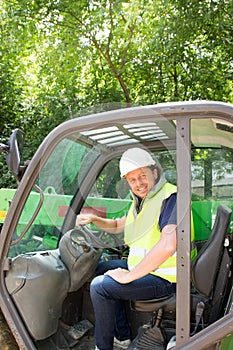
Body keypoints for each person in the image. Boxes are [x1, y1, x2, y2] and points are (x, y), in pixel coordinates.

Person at [76, 148, 178, 350]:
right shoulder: (142, 201)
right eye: (132, 180)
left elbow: (168, 244)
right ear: (127, 182)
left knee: (100, 287)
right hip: (147, 268)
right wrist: (94, 219)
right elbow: (116, 226)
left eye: (142, 176)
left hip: (167, 278)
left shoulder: (170, 197)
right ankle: (122, 337)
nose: (138, 183)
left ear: (154, 172)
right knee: (100, 268)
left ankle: (102, 346)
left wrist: (128, 277)